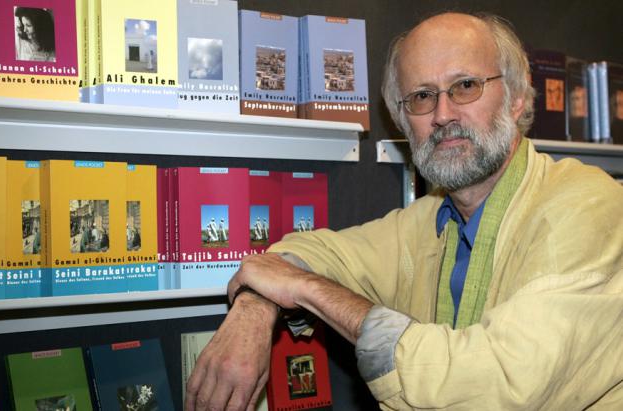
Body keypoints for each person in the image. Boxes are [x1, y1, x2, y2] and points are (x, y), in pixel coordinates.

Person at [185, 12, 623, 411]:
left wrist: (307, 289)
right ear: (401, 120)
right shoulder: (427, 221)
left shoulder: (587, 206)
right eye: (421, 96)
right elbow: (306, 253)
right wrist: (254, 311)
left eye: (465, 86)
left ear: (515, 97)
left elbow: (495, 385)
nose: (442, 114)